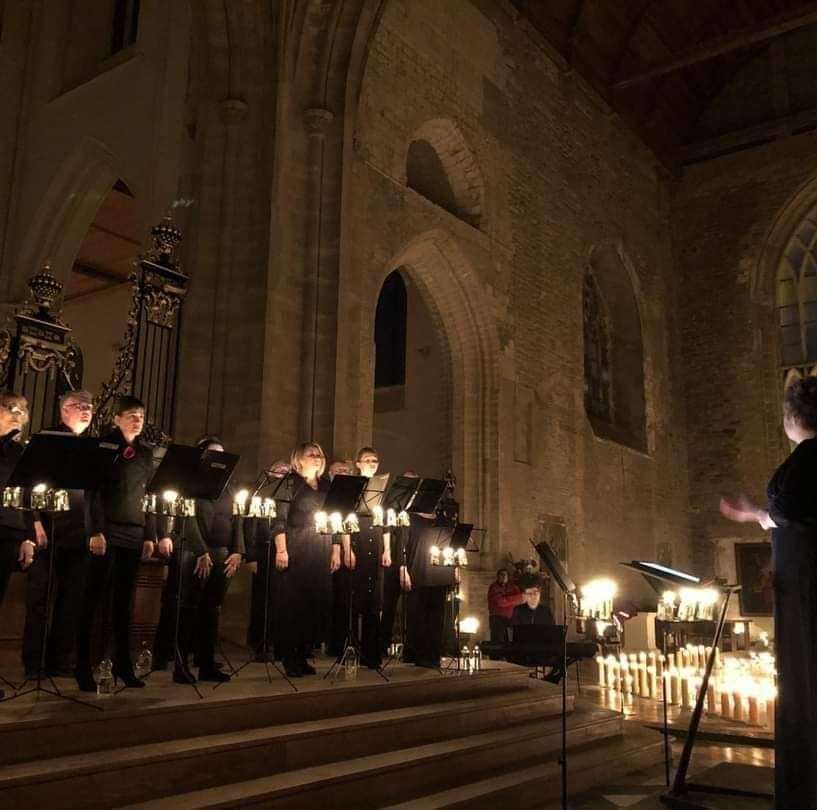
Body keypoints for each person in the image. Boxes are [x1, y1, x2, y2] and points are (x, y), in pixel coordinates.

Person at [720, 377, 817, 809]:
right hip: (802, 582)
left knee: (807, 685)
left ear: (793, 417)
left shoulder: (807, 461)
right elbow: (791, 516)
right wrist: (760, 514)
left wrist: (758, 512)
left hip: (807, 591)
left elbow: (790, 511)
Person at [75, 396, 173, 691]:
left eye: (141, 415)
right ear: (116, 418)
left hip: (134, 531)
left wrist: (150, 534)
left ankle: (123, 665)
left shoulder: (145, 453)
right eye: (131, 414)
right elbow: (93, 492)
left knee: (124, 603)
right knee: (93, 601)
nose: (137, 419)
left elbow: (150, 497)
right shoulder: (105, 446)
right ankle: (84, 667)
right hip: (107, 531)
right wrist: (96, 531)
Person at [154, 435, 245, 683]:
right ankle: (181, 665)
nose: (219, 460)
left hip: (223, 552)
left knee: (212, 609)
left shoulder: (230, 485)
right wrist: (200, 551)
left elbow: (238, 517)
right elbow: (187, 517)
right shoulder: (188, 482)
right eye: (213, 454)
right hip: (193, 552)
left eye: (223, 454)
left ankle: (206, 665)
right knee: (187, 607)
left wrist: (238, 550)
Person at [22, 390, 94, 679]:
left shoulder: (89, 446)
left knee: (71, 598)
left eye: (89, 406)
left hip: (79, 531)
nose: (87, 410)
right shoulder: (47, 439)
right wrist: (35, 522)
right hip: (49, 528)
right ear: (64, 410)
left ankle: (59, 659)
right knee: (42, 598)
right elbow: (28, 483)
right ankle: (34, 662)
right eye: (80, 406)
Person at [272, 442, 340, 676]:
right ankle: (289, 656)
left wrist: (336, 549)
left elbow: (336, 517)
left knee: (314, 602)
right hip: (297, 546)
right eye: (312, 454)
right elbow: (279, 519)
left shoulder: (327, 485)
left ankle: (303, 654)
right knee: (294, 604)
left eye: (320, 454)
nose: (318, 458)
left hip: (320, 547)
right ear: (298, 459)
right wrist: (281, 549)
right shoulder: (290, 483)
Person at [0, 392, 38, 698]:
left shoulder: (20, 452)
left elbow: (26, 496)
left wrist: (27, 537)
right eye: (11, 409)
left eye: (23, 410)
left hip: (8, 530)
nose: (18, 414)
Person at [347, 447, 390, 668]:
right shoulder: (352, 486)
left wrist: (388, 550)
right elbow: (344, 517)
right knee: (358, 598)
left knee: (375, 601)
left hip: (376, 540)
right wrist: (347, 549)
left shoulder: (382, 489)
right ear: (358, 464)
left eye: (375, 460)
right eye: (367, 460)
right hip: (358, 540)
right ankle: (352, 651)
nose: (372, 463)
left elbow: (386, 522)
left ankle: (373, 654)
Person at [402, 500, 456, 669]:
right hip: (419, 572)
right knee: (418, 618)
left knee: (437, 619)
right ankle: (418, 655)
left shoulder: (445, 522)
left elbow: (454, 547)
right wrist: (403, 570)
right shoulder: (410, 519)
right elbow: (402, 547)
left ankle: (434, 655)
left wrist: (455, 571)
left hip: (440, 575)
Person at [487, 568, 523, 644]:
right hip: (497, 619)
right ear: (497, 577)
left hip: (509, 619)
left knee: (509, 642)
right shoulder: (493, 587)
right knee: (498, 642)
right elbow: (500, 602)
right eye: (501, 575)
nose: (504, 577)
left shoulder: (512, 587)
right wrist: (513, 600)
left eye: (505, 575)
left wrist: (507, 599)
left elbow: (520, 599)